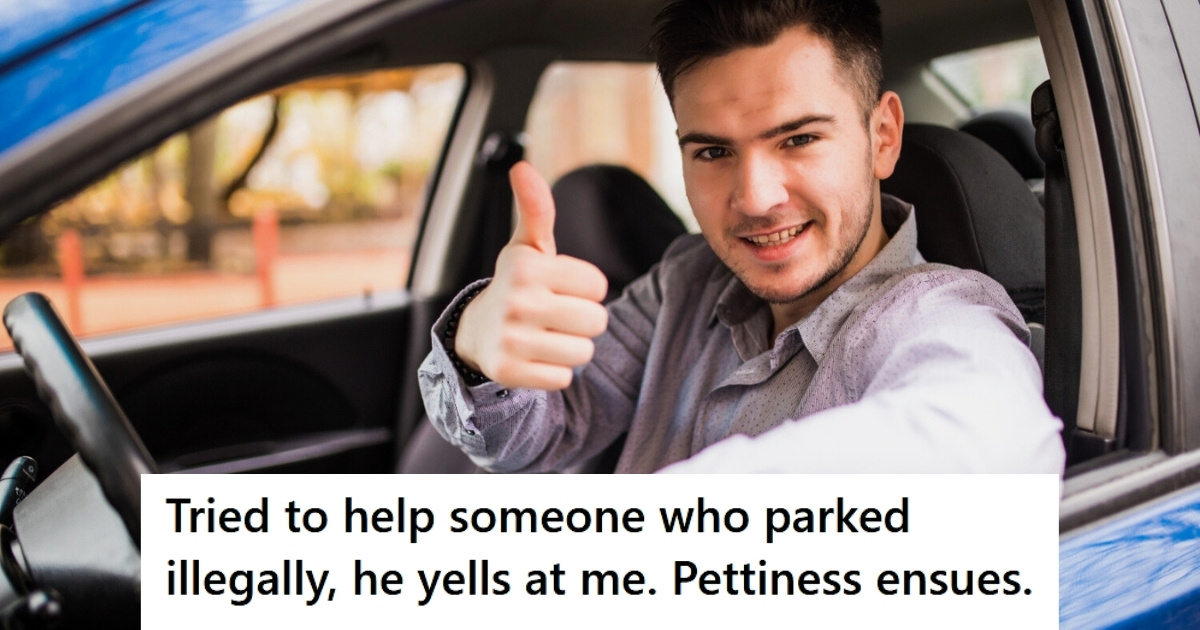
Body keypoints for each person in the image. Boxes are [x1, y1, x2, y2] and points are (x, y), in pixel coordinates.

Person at [417, 0, 1065, 474]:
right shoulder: (684, 281)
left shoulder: (941, 315)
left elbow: (992, 445)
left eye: (799, 139)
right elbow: (542, 437)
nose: (755, 198)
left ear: (882, 138)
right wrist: (478, 349)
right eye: (713, 152)